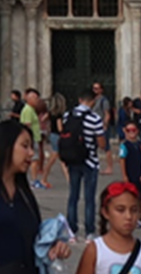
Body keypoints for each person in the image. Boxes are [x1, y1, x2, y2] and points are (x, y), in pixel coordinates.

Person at [0, 118, 72, 274]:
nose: (31, 153)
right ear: (5, 147)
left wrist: (55, 246)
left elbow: (33, 237)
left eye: (31, 147)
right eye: (24, 146)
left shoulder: (23, 191)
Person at [76, 182, 141, 274]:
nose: (128, 216)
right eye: (120, 210)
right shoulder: (94, 251)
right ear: (105, 212)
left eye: (134, 210)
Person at [58, 92, 105, 236]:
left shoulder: (68, 116)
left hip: (73, 159)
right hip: (89, 161)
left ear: (80, 100)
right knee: (89, 198)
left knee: (73, 195)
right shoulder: (95, 119)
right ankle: (89, 230)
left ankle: (72, 228)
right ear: (93, 101)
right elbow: (102, 143)